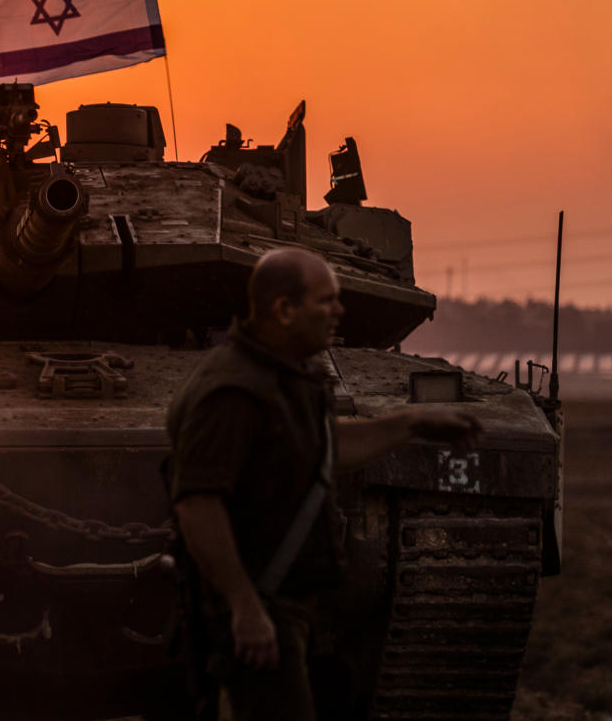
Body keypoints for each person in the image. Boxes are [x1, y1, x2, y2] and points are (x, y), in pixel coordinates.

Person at [166, 247, 480, 720]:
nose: (339, 310)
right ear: (284, 309)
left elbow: (322, 450)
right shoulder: (232, 390)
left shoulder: (282, 375)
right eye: (325, 300)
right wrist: (245, 608)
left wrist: (411, 424)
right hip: (255, 609)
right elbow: (198, 504)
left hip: (283, 605)